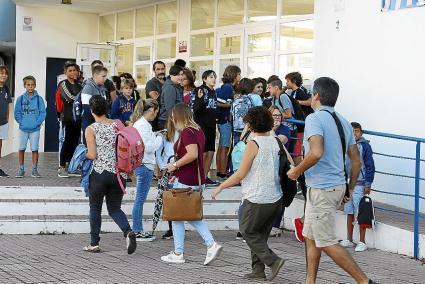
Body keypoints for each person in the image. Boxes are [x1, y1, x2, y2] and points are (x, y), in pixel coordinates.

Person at [287, 77, 376, 284]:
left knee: (325, 241)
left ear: (316, 95)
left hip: (322, 190)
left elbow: (316, 153)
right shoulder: (344, 121)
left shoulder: (314, 119)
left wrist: (296, 171)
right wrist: (350, 188)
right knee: (310, 236)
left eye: (311, 93)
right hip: (334, 187)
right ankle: (310, 281)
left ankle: (364, 281)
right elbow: (355, 160)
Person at [211, 106, 285, 282]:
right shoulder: (276, 141)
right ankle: (258, 271)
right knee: (259, 236)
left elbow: (240, 174)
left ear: (251, 124)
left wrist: (220, 187)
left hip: (256, 197)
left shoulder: (254, 143)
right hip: (275, 197)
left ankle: (273, 261)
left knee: (247, 232)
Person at [161, 103, 222, 265]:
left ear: (178, 116)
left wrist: (174, 166)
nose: (172, 119)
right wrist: (177, 172)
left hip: (187, 180)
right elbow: (194, 156)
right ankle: (178, 252)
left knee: (182, 215)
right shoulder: (197, 130)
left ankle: (209, 244)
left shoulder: (187, 132)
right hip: (194, 178)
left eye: (173, 116)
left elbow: (192, 154)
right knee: (181, 216)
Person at [84, 95, 137, 254]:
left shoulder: (91, 129)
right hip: (118, 174)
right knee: (114, 209)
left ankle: (94, 244)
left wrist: (82, 155)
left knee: (95, 208)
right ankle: (128, 231)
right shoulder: (118, 124)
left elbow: (92, 155)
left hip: (99, 174)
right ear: (107, 109)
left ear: (92, 110)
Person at [340, 122, 375, 252]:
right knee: (349, 211)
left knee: (361, 213)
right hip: (348, 184)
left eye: (357, 131)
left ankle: (362, 241)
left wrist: (368, 183)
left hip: (360, 184)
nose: (354, 133)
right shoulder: (345, 145)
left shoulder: (365, 146)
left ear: (361, 133)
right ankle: (349, 239)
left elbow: (370, 165)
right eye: (352, 131)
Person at [130, 99, 162, 242]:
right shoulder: (143, 125)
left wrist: (154, 134)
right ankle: (137, 230)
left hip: (143, 165)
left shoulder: (141, 124)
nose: (156, 115)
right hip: (144, 165)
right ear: (151, 111)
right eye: (156, 112)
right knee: (140, 200)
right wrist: (160, 138)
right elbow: (148, 147)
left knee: (140, 199)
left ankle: (138, 230)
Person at [14, 76, 46, 178]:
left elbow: (43, 113)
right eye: (28, 85)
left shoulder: (39, 99)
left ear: (35, 85)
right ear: (24, 86)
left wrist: (37, 123)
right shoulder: (20, 99)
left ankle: (34, 170)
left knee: (34, 149)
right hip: (23, 129)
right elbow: (17, 112)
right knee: (21, 148)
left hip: (35, 129)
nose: (30, 87)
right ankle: (21, 169)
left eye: (32, 85)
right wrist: (21, 122)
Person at [193, 70, 219, 186]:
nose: (213, 79)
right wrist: (200, 99)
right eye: (210, 77)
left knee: (211, 151)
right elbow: (196, 109)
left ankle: (204, 177)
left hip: (212, 124)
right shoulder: (200, 90)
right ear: (204, 79)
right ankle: (198, 177)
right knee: (202, 152)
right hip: (201, 124)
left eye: (214, 77)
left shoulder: (214, 91)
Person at [57, 62, 83, 178]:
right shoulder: (63, 84)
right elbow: (70, 97)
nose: (73, 72)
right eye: (70, 70)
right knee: (67, 142)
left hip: (78, 118)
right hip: (68, 117)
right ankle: (61, 167)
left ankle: (71, 167)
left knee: (74, 142)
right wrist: (79, 98)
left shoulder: (80, 85)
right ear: (65, 72)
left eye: (74, 70)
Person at [156, 111, 179, 240]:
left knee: (178, 198)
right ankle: (171, 228)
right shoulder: (165, 134)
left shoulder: (183, 133)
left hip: (179, 168)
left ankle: (178, 225)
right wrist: (162, 166)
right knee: (168, 199)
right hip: (167, 169)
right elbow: (158, 152)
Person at [215, 65, 240, 179]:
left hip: (223, 120)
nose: (240, 76)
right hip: (225, 120)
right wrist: (232, 104)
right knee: (224, 146)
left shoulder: (227, 87)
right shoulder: (228, 87)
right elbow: (219, 102)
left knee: (222, 146)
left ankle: (221, 171)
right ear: (234, 75)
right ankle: (222, 172)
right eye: (238, 74)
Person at [81, 65, 108, 144]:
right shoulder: (88, 88)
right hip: (89, 122)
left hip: (99, 123)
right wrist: (99, 119)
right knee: (90, 150)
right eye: (103, 76)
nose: (105, 79)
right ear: (95, 75)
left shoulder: (102, 88)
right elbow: (86, 108)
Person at [158, 65, 184, 129]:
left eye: (182, 74)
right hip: (168, 121)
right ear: (171, 75)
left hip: (173, 120)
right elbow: (170, 109)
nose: (181, 77)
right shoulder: (170, 88)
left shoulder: (176, 86)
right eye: (178, 75)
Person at [145, 61, 166, 130]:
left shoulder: (168, 81)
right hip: (154, 117)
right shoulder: (151, 84)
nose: (161, 71)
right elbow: (157, 99)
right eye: (158, 69)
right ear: (154, 70)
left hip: (166, 116)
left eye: (162, 69)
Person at [0, 66, 11, 178]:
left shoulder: (6, 89)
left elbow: (7, 104)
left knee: (0, 147)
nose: (3, 75)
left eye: (5, 73)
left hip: (3, 123)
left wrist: (7, 118)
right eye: (1, 73)